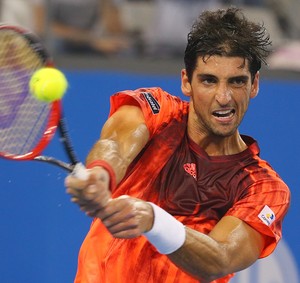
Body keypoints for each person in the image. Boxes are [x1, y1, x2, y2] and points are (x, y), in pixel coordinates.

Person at [65, 7, 290, 283]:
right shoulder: (158, 112)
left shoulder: (264, 189)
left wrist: (153, 220)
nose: (223, 97)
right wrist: (101, 174)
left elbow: (220, 259)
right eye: (209, 80)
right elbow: (115, 145)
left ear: (254, 85)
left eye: (237, 82)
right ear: (186, 82)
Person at [31, 0, 129, 55]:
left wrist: (107, 3)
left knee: (124, 51)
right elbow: (42, 27)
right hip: (59, 46)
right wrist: (92, 42)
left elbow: (115, 30)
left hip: (92, 45)